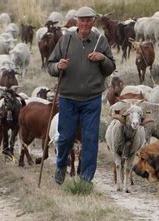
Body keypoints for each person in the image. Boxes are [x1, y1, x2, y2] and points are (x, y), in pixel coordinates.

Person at [47, 6, 116, 184]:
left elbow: (110, 68)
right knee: (65, 137)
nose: (85, 23)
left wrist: (103, 58)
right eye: (82, 19)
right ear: (76, 21)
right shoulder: (66, 39)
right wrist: (58, 66)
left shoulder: (100, 40)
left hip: (91, 99)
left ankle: (86, 179)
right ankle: (61, 165)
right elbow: (51, 66)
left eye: (89, 20)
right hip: (68, 98)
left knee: (90, 139)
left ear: (93, 21)